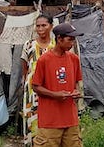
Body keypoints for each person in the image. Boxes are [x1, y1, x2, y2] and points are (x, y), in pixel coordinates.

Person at [32, 23, 84, 147]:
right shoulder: (44, 60)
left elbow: (76, 83)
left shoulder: (74, 59)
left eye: (73, 40)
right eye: (69, 39)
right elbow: (35, 86)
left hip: (70, 119)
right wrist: (55, 95)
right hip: (50, 120)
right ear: (59, 39)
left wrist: (76, 92)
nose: (72, 43)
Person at [21, 14, 56, 146]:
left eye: (44, 25)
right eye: (38, 26)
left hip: (51, 89)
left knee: (49, 117)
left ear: (51, 27)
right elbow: (24, 67)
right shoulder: (28, 44)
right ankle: (31, 143)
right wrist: (28, 82)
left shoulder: (55, 46)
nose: (40, 28)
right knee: (31, 117)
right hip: (31, 91)